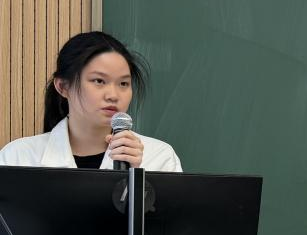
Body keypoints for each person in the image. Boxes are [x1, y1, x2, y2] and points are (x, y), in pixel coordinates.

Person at [0, 32, 182, 171]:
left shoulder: (159, 157)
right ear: (63, 87)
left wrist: (135, 178)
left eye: (123, 83)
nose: (113, 95)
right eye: (99, 81)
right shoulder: (18, 157)